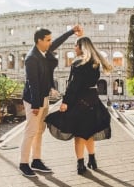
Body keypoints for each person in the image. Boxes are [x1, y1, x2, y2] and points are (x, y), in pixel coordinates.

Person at [19, 25, 82, 177]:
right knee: (31, 131)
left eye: (50, 40)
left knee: (39, 131)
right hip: (34, 100)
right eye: (47, 40)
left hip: (44, 97)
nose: (50, 42)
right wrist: (35, 105)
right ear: (39, 41)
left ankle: (36, 160)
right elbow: (32, 83)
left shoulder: (43, 51)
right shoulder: (31, 58)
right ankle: (23, 163)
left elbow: (58, 42)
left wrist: (71, 31)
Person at [45, 35, 112, 175]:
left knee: (79, 135)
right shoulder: (96, 63)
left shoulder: (78, 64)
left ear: (81, 47)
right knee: (89, 132)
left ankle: (81, 164)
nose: (74, 48)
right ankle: (92, 159)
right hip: (93, 100)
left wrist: (65, 102)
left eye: (75, 45)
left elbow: (74, 86)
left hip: (79, 101)